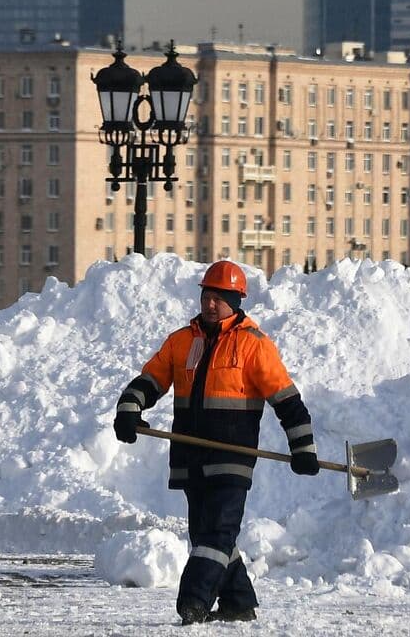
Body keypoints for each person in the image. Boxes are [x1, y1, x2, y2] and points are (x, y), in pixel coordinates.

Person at [114, 259, 318, 625]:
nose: (210, 304)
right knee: (206, 535)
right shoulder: (181, 341)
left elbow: (288, 402)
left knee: (218, 532)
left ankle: (193, 601)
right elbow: (151, 380)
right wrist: (129, 409)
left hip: (231, 458)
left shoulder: (254, 345)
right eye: (207, 296)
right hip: (190, 457)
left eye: (219, 298)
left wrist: (303, 449)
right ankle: (238, 602)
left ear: (235, 301)